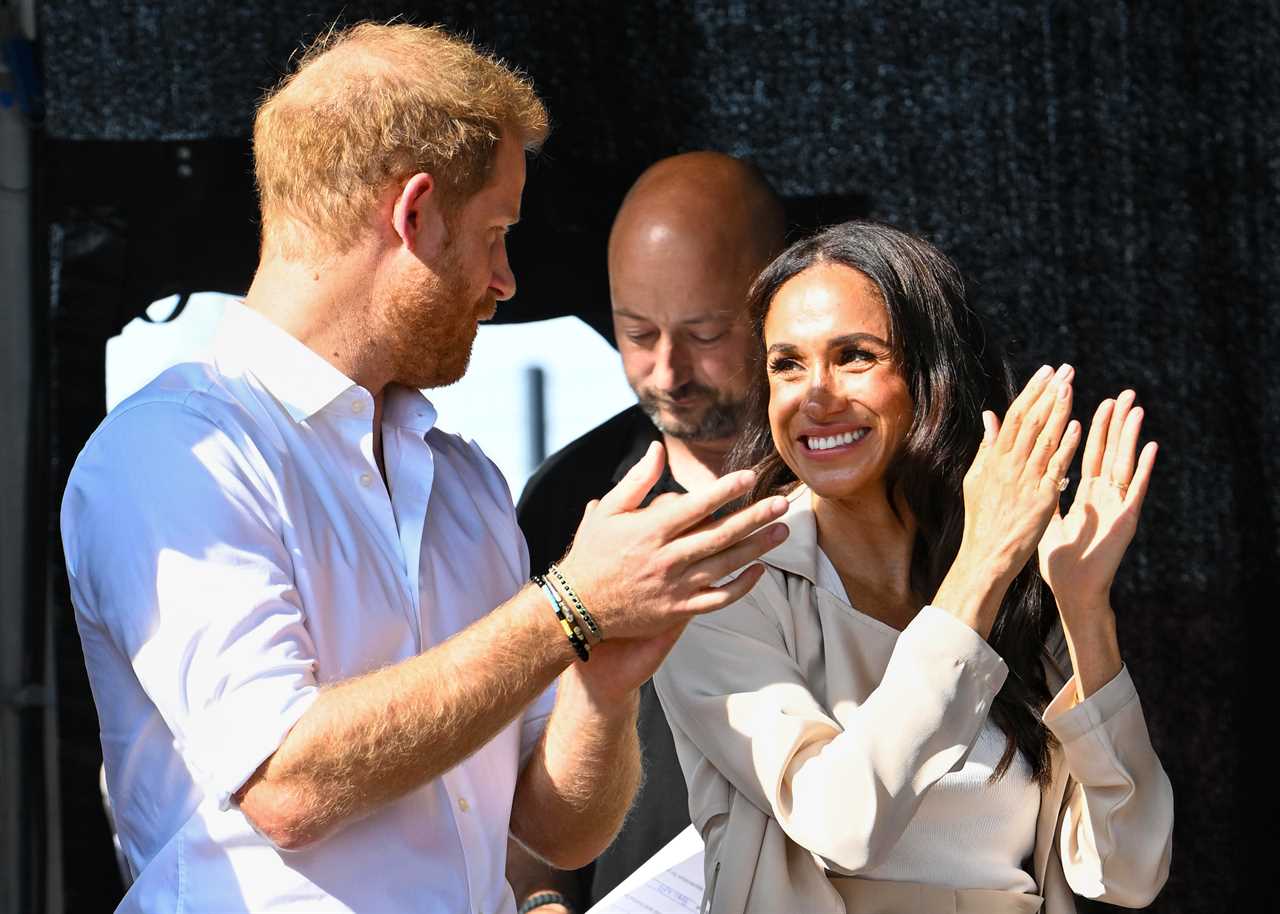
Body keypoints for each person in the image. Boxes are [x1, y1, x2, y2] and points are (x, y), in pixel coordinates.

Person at [59, 23, 792, 914]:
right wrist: (569, 609)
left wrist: (603, 685)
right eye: (496, 233)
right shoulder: (178, 453)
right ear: (413, 217)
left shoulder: (467, 482)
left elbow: (555, 830)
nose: (507, 278)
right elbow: (286, 786)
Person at [654, 221, 1174, 913]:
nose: (815, 394)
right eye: (787, 364)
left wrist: (1083, 607)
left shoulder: (1015, 584)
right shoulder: (722, 584)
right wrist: (979, 570)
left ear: (934, 377)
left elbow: (1131, 870)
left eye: (854, 356)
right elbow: (844, 823)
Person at [510, 152, 786, 913]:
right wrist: (540, 902)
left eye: (705, 333)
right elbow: (512, 766)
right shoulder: (569, 499)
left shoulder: (860, 477)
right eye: (637, 333)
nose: (668, 371)